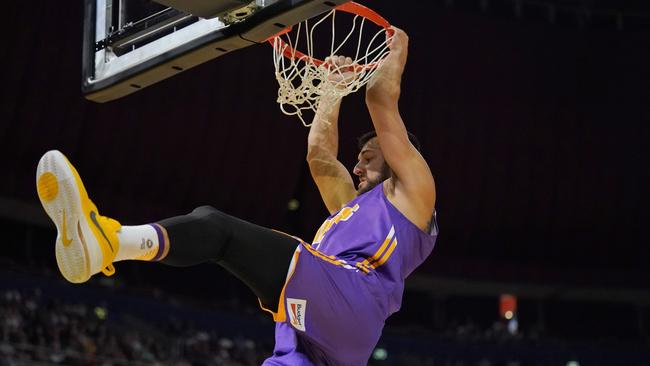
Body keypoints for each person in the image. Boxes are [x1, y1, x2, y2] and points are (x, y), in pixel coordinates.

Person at [35, 27, 437, 366]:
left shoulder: (412, 194)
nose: (357, 167)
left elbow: (380, 99)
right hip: (310, 338)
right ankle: (102, 244)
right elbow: (319, 157)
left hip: (352, 300)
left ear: (399, 155)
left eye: (367, 158)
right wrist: (330, 90)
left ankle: (106, 242)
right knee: (218, 232)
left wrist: (395, 49)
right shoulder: (351, 207)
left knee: (218, 230)